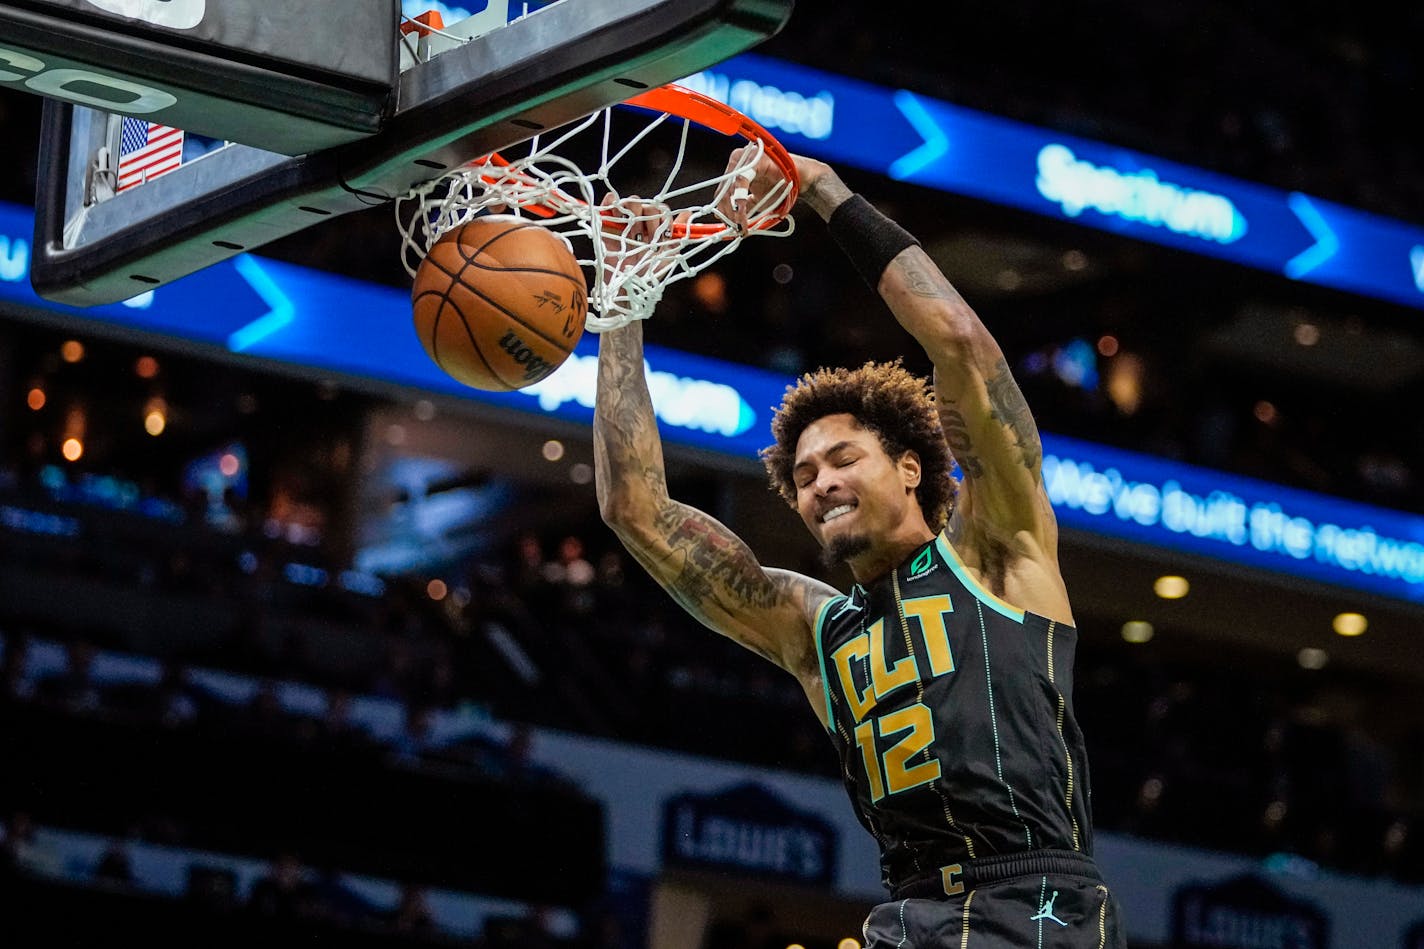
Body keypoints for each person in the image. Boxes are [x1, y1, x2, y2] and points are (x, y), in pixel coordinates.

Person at [593, 152, 1126, 947]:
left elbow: (961, 343)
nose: (820, 483)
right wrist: (623, 305)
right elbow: (635, 509)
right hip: (911, 914)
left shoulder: (994, 551)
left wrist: (816, 187)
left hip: (1037, 905)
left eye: (844, 459)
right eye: (805, 475)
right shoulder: (817, 628)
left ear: (912, 468)